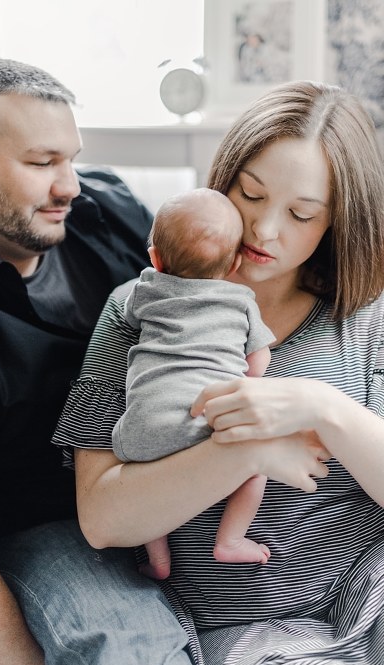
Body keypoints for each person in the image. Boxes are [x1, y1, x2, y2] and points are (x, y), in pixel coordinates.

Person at [53, 80, 384, 665]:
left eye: (302, 214)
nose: (264, 228)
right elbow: (103, 518)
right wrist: (249, 451)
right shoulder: (137, 307)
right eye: (250, 194)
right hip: (259, 631)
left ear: (337, 221)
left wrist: (323, 407)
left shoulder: (366, 318)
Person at [0, 58, 217, 665]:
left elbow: (200, 292)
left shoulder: (103, 208)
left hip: (168, 469)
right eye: (42, 162)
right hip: (55, 527)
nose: (69, 184)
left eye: (71, 157)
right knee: (131, 653)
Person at [112, 188, 274, 578]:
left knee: (146, 487)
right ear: (235, 262)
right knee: (255, 469)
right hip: (206, 422)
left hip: (142, 427)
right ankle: (230, 539)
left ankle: (158, 559)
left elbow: (130, 318)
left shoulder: (145, 288)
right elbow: (258, 361)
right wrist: (245, 380)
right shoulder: (241, 301)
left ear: (155, 258)